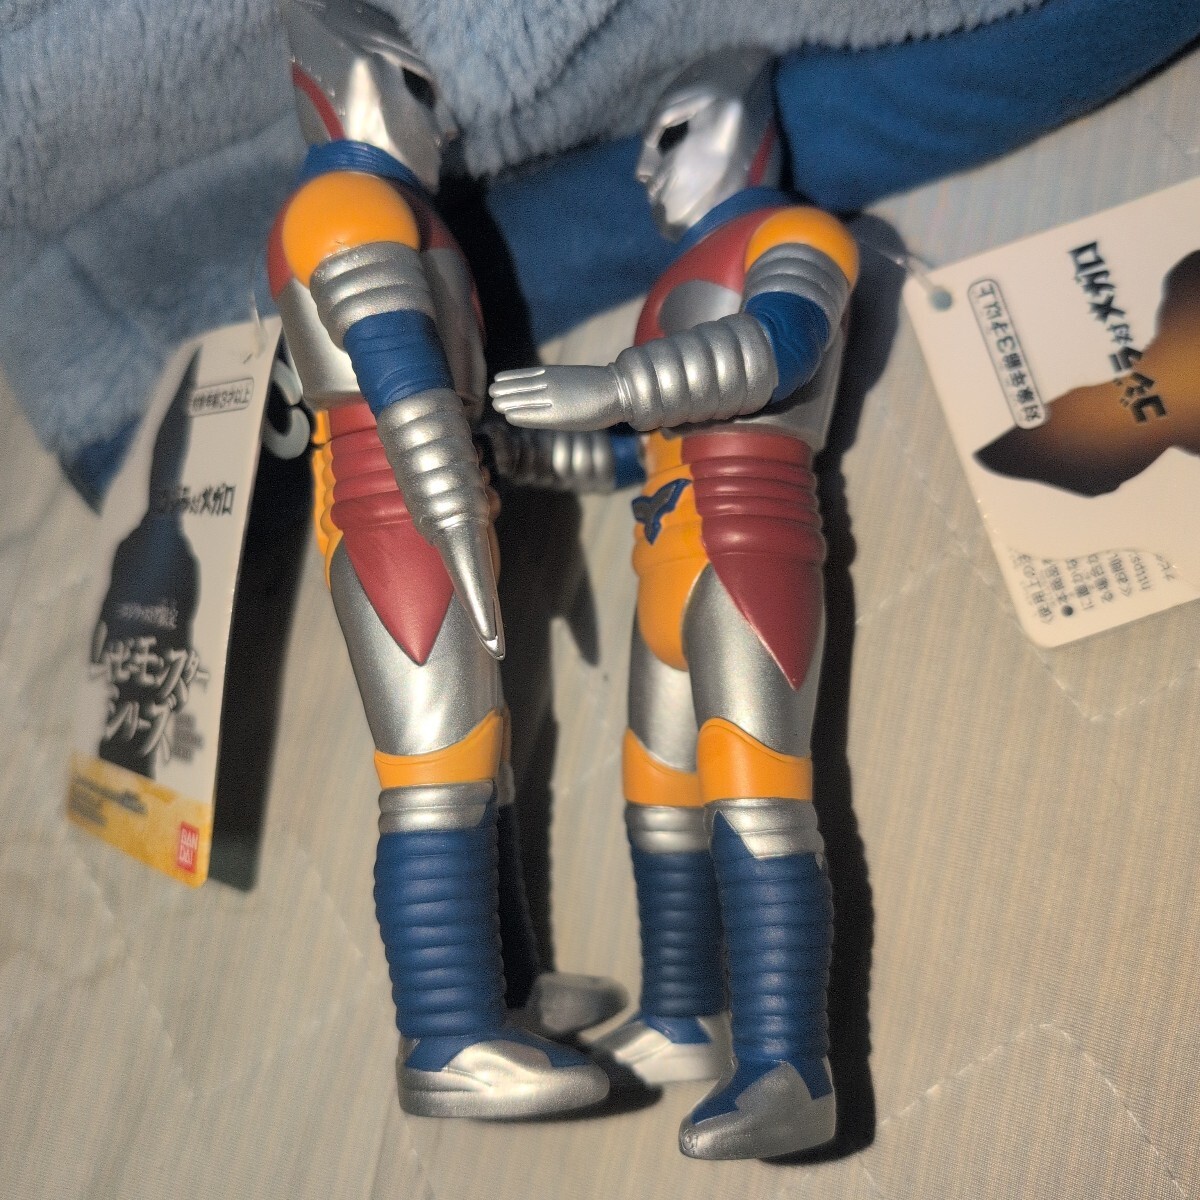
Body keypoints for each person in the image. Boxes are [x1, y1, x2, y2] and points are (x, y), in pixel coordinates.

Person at [493, 51, 857, 1158]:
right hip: (668, 554)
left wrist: (609, 385)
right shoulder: (675, 282)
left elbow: (776, 351)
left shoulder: (797, 236)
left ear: (743, 124)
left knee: (758, 800)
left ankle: (791, 1064)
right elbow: (637, 457)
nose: (646, 171)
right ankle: (683, 1012)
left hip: (751, 544)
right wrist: (520, 453)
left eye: (671, 136)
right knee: (656, 800)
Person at [269, 0, 625, 1119]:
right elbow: (406, 391)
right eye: (418, 90)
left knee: (483, 764)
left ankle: (504, 992)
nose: (445, 123)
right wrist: (459, 529)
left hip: (432, 513)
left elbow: (459, 412)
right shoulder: (344, 204)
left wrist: (570, 462)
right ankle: (448, 1034)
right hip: (396, 525)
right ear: (344, 82)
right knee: (436, 776)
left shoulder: (390, 209)